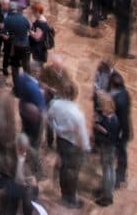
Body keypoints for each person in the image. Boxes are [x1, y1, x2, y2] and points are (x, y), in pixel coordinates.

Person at [46, 81, 90, 209]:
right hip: (74, 145)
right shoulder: (77, 114)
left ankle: (64, 194)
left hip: (61, 142)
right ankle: (71, 199)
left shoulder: (54, 104)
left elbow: (48, 119)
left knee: (64, 168)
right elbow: (82, 134)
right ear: (75, 94)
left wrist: (58, 129)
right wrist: (86, 148)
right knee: (72, 173)